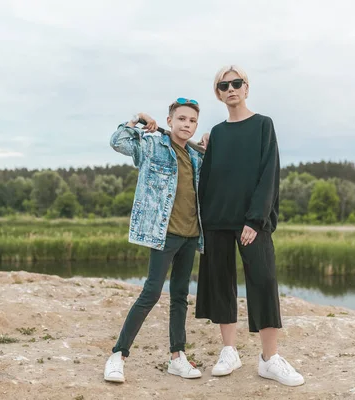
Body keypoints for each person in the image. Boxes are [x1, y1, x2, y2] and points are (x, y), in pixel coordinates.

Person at [195, 65, 305, 387]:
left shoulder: (262, 125)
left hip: (251, 223)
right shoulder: (215, 133)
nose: (231, 88)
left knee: (264, 280)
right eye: (224, 85)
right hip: (217, 219)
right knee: (221, 283)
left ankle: (269, 359)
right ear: (218, 93)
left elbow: (269, 173)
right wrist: (204, 219)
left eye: (236, 83)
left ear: (246, 87)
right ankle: (229, 351)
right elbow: (210, 176)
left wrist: (255, 220)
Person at [104, 98, 205, 383]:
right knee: (150, 293)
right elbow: (118, 142)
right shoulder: (152, 146)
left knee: (180, 297)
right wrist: (136, 119)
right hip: (164, 235)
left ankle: (177, 357)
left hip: (191, 236)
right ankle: (118, 355)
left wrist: (209, 143)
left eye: (192, 121)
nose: (186, 124)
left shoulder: (197, 157)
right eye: (181, 119)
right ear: (169, 121)